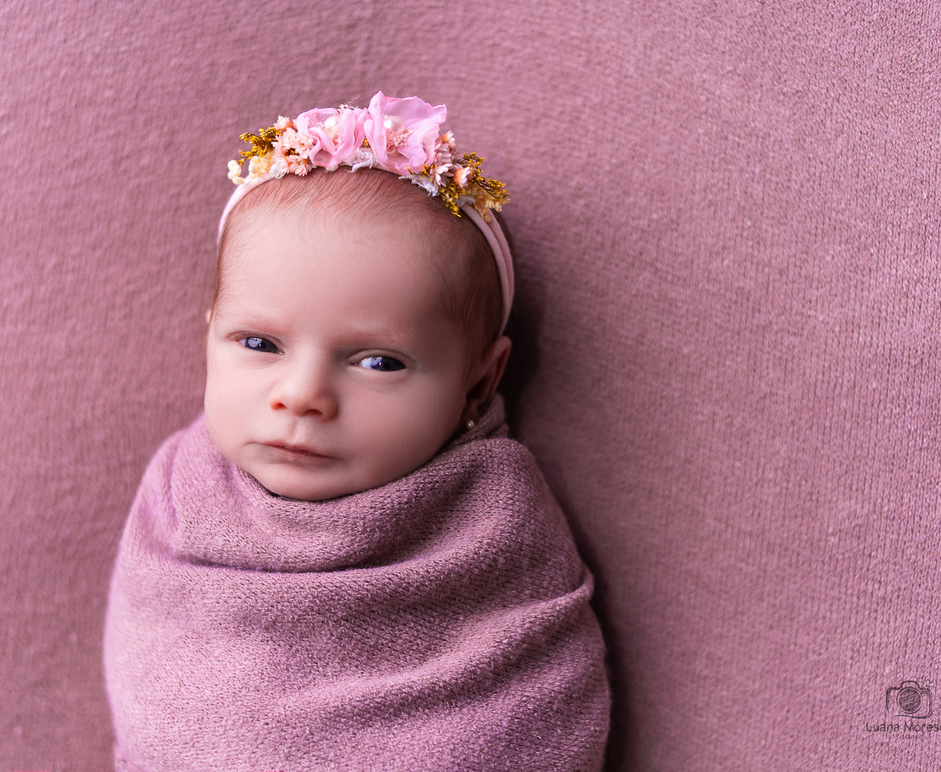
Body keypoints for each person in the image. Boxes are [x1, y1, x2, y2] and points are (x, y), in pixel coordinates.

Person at [104, 92, 610, 771]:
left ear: (480, 382)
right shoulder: (182, 491)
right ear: (210, 334)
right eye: (258, 343)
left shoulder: (493, 518)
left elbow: (532, 712)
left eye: (377, 362)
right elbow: (159, 687)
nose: (303, 396)